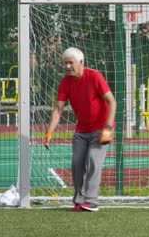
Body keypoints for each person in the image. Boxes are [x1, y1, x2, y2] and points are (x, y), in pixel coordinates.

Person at [43, 47, 116, 212]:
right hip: (81, 131)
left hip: (100, 128)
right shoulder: (65, 82)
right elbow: (58, 109)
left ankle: (91, 201)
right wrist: (49, 132)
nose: (68, 66)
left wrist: (108, 127)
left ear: (81, 62)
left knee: (93, 161)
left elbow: (112, 101)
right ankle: (79, 200)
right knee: (77, 164)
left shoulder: (94, 76)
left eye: (71, 63)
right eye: (65, 63)